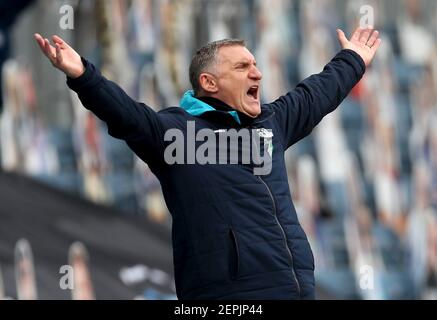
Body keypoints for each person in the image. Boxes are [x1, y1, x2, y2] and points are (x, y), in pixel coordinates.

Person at [34, 27, 381, 300]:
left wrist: (353, 59)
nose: (257, 74)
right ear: (209, 82)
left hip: (296, 289)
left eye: (256, 65)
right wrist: (82, 74)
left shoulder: (270, 124)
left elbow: (315, 94)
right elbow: (125, 113)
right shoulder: (175, 133)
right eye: (242, 67)